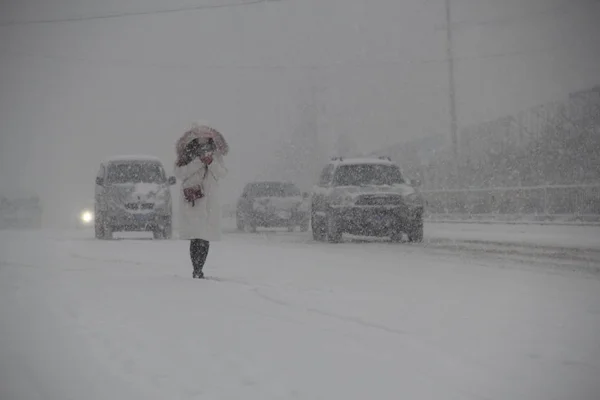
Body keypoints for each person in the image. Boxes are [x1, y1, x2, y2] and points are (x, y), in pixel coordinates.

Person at [174, 122, 229, 279]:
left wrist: (211, 162)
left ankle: (199, 268)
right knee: (196, 235)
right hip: (193, 200)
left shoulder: (216, 154)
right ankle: (196, 268)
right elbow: (180, 173)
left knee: (205, 236)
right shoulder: (186, 154)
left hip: (210, 200)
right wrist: (199, 162)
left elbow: (222, 173)